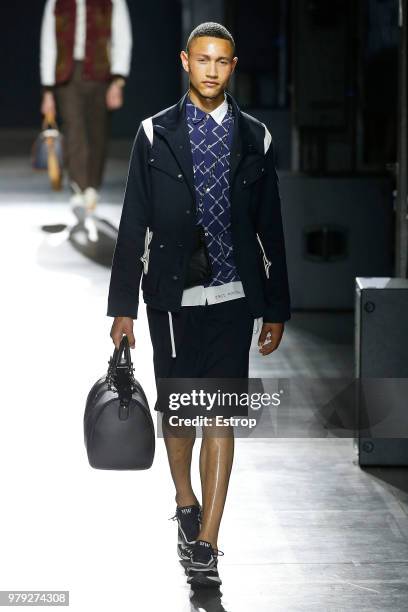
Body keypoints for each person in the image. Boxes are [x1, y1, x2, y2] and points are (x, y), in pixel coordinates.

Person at [107, 22, 291, 588]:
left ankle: (208, 540)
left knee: (219, 414)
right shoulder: (153, 134)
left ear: (233, 67)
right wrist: (122, 310)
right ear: (185, 61)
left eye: (223, 62)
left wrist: (277, 306)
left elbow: (271, 227)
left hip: (234, 298)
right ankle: (185, 499)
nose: (212, 70)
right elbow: (132, 221)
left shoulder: (254, 137)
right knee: (181, 412)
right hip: (169, 298)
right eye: (203, 59)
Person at [39, 0, 132, 213]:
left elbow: (121, 35)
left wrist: (118, 80)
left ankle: (92, 186)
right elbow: (48, 41)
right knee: (73, 129)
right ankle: (79, 187)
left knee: (98, 131)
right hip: (67, 75)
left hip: (101, 75)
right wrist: (47, 89)